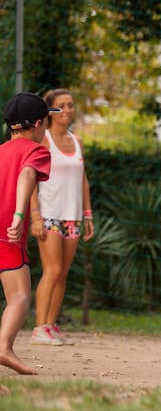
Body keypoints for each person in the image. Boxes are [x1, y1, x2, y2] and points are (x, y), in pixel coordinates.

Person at [29, 88, 94, 346]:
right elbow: (30, 178)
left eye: (70, 105)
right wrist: (35, 215)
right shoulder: (43, 140)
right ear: (50, 111)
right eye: (61, 106)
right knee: (52, 270)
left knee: (62, 274)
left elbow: (83, 179)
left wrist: (87, 214)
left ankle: (51, 325)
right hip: (49, 214)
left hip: (72, 216)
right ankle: (39, 328)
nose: (67, 110)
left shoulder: (77, 141)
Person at [1, 92, 60, 374]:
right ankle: (3, 348)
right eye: (47, 122)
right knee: (20, 297)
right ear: (37, 125)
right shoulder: (36, 151)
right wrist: (19, 214)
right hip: (7, 231)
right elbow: (26, 174)